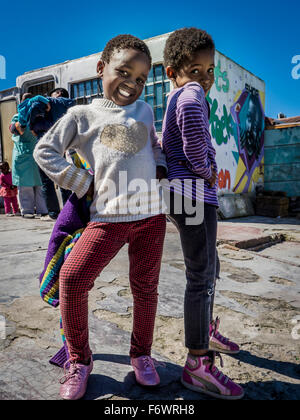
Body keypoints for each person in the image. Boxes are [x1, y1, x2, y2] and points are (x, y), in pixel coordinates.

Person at [34, 34, 167, 400]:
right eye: (123, 71)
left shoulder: (144, 111)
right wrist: (80, 181)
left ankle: (141, 355)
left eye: (141, 79)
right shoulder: (81, 115)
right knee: (73, 279)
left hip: (152, 217)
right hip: (106, 217)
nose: (132, 84)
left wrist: (159, 167)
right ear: (100, 68)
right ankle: (79, 360)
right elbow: (45, 151)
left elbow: (154, 145)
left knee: (145, 290)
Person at [162, 27, 243, 400]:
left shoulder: (179, 93)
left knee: (209, 268)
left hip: (189, 196)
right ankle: (197, 363)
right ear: (172, 71)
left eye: (210, 70)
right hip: (192, 194)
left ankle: (205, 328)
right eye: (195, 69)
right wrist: (206, 168)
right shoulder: (191, 95)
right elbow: (193, 129)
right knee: (200, 275)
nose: (205, 79)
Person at [17, 90, 74, 220]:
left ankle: (54, 213)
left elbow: (25, 120)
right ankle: (68, 210)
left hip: (44, 143)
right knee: (63, 179)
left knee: (47, 181)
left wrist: (31, 126)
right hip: (60, 144)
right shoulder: (67, 105)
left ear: (58, 93)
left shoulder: (49, 102)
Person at [9, 93, 48, 218]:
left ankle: (36, 211)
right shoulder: (20, 117)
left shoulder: (35, 116)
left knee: (37, 185)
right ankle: (33, 211)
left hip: (32, 154)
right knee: (32, 186)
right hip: (28, 155)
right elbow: (14, 129)